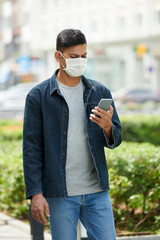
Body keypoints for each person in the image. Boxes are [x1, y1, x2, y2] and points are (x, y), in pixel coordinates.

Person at [23, 28, 122, 240]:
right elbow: (31, 149)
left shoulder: (99, 91)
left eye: (84, 56)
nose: (80, 61)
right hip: (59, 193)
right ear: (59, 56)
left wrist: (107, 127)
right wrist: (35, 193)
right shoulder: (38, 96)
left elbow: (116, 138)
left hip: (97, 191)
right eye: (74, 57)